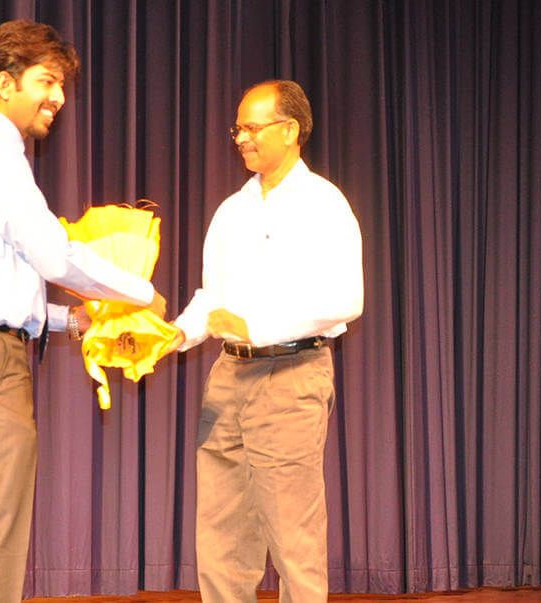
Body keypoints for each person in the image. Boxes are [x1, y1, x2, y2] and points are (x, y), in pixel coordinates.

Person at [0, 20, 163, 603]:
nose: (57, 96)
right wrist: (138, 292)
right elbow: (53, 254)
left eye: (60, 85)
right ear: (5, 82)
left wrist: (66, 321)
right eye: (46, 81)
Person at [170, 80, 363, 602]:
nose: (241, 139)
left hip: (291, 376)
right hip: (228, 377)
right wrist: (175, 335)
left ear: (291, 130)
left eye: (253, 128)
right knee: (221, 539)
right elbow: (212, 299)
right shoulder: (232, 210)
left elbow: (347, 298)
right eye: (239, 129)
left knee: (293, 540)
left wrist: (259, 328)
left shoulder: (324, 203)